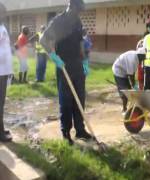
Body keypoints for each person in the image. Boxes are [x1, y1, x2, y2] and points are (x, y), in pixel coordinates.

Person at [40, 0, 92, 145]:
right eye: (77, 10)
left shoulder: (77, 21)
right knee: (66, 100)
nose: (79, 13)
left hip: (78, 65)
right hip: (64, 65)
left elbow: (80, 41)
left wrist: (85, 60)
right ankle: (66, 132)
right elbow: (43, 40)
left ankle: (80, 130)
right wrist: (54, 57)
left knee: (80, 99)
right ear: (71, 6)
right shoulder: (58, 21)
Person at [112, 48, 146, 114]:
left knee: (130, 91)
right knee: (125, 92)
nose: (143, 60)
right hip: (118, 72)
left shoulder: (137, 58)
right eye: (143, 58)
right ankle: (124, 109)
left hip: (124, 71)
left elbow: (132, 73)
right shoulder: (132, 59)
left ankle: (132, 107)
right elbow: (131, 75)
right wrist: (134, 86)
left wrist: (133, 86)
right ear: (140, 55)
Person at [0, 2, 13, 142]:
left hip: (3, 71)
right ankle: (0, 133)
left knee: (1, 102)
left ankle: (1, 128)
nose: (4, 15)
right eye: (2, 12)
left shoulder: (2, 26)